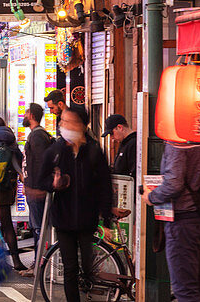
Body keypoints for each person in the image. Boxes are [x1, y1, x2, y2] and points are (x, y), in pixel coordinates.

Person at [32, 105, 120, 302]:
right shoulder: (56, 150)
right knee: (70, 268)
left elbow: (105, 187)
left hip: (87, 219)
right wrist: (53, 183)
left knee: (88, 268)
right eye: (62, 121)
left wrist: (106, 220)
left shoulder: (94, 151)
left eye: (68, 121)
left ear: (81, 124)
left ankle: (89, 286)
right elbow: (41, 180)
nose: (63, 125)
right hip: (63, 219)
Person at [141, 137, 200, 302]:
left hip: (182, 221)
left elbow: (174, 184)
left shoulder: (177, 142)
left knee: (185, 290)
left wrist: (151, 196)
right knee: (199, 287)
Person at [0, 115, 26, 271]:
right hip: (5, 188)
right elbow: (19, 161)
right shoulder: (10, 140)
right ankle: (16, 260)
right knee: (7, 225)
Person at [22, 102, 53, 262]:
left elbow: (42, 163)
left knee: (39, 229)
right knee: (37, 228)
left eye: (26, 113)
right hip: (33, 189)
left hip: (37, 192)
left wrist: (37, 187)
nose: (24, 116)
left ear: (32, 116)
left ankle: (39, 264)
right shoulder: (36, 135)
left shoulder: (37, 136)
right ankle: (38, 263)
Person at [103, 114, 137, 178]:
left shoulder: (133, 144)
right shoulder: (124, 143)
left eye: (111, 133)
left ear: (119, 127)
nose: (112, 138)